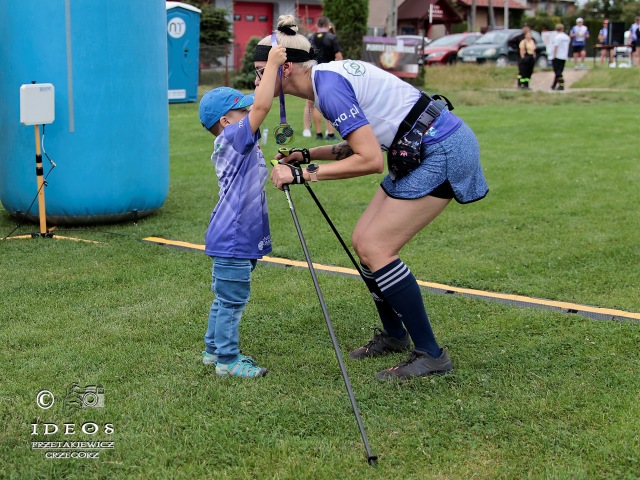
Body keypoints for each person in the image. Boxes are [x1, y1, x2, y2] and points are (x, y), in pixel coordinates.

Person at [257, 15, 489, 380]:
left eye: (261, 72)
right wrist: (307, 155)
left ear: (284, 69)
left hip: (441, 150)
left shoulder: (329, 90)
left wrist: (300, 174)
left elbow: (369, 160)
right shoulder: (327, 80)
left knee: (377, 247)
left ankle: (431, 354)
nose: (258, 82)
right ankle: (395, 335)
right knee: (363, 242)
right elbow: (359, 144)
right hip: (417, 149)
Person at [198, 44, 287, 378]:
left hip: (236, 234)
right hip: (233, 236)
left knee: (225, 297)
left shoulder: (238, 141)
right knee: (233, 300)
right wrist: (276, 63)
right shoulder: (233, 137)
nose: (251, 114)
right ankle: (227, 360)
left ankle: (212, 351)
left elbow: (259, 104)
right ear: (226, 121)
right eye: (242, 112)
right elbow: (263, 104)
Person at [302, 17, 343, 140]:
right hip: (328, 74)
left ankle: (312, 131)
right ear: (328, 25)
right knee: (328, 103)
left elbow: (307, 57)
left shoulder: (311, 38)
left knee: (311, 103)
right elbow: (339, 57)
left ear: (317, 24)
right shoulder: (332, 37)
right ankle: (329, 133)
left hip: (313, 73)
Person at [551, 23, 571, 90]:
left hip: (558, 56)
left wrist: (554, 56)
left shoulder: (557, 37)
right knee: (559, 71)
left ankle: (561, 84)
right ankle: (553, 85)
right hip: (564, 56)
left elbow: (556, 47)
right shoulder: (567, 37)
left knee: (557, 72)